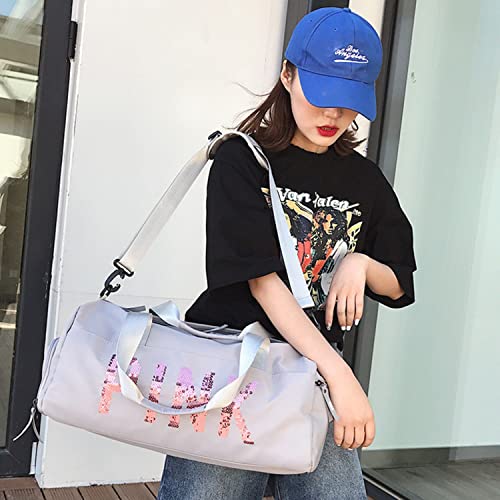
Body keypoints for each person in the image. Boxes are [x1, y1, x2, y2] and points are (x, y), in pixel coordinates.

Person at [157, 7, 417, 500]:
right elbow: (263, 283)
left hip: (310, 380)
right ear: (288, 75)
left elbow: (400, 282)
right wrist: (341, 376)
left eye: (347, 101)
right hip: (234, 370)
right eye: (322, 95)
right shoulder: (241, 159)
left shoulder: (366, 180)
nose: (333, 115)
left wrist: (359, 263)